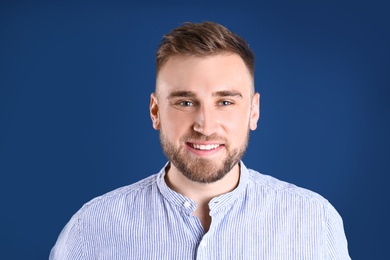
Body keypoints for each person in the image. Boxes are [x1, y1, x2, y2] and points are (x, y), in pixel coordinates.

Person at [50, 21, 350, 259]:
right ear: (155, 111)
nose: (205, 126)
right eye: (185, 102)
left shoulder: (314, 221)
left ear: (253, 111)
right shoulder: (91, 229)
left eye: (225, 102)